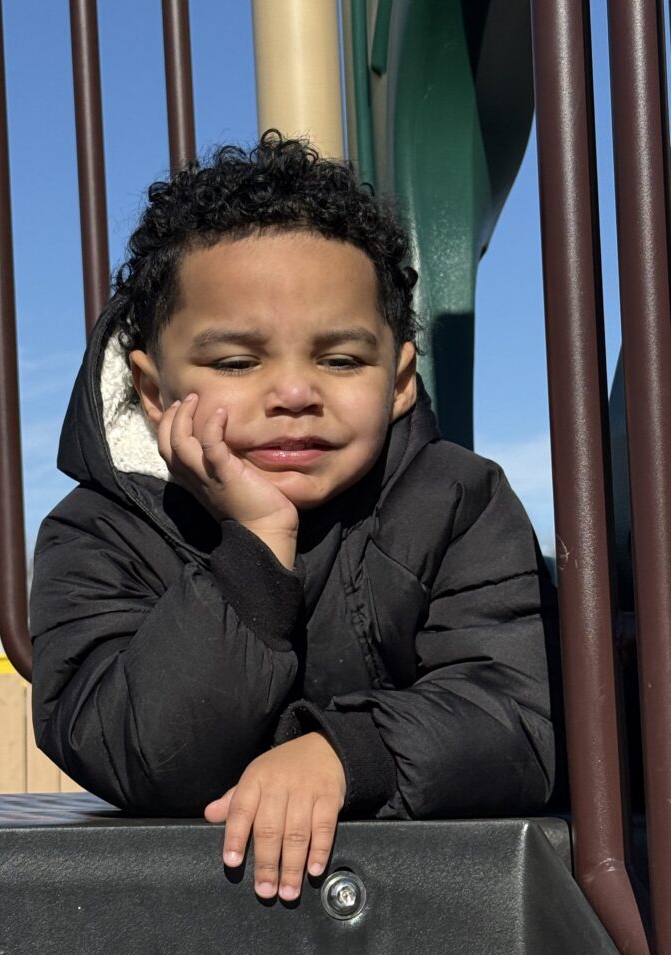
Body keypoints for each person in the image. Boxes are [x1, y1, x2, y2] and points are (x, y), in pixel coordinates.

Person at [30, 132, 559, 903]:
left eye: (341, 360)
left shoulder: (459, 504)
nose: (294, 393)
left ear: (400, 381)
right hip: (192, 927)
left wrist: (346, 752)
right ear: (151, 390)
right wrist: (251, 551)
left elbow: (519, 719)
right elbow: (134, 753)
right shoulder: (98, 533)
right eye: (237, 363)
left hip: (426, 912)